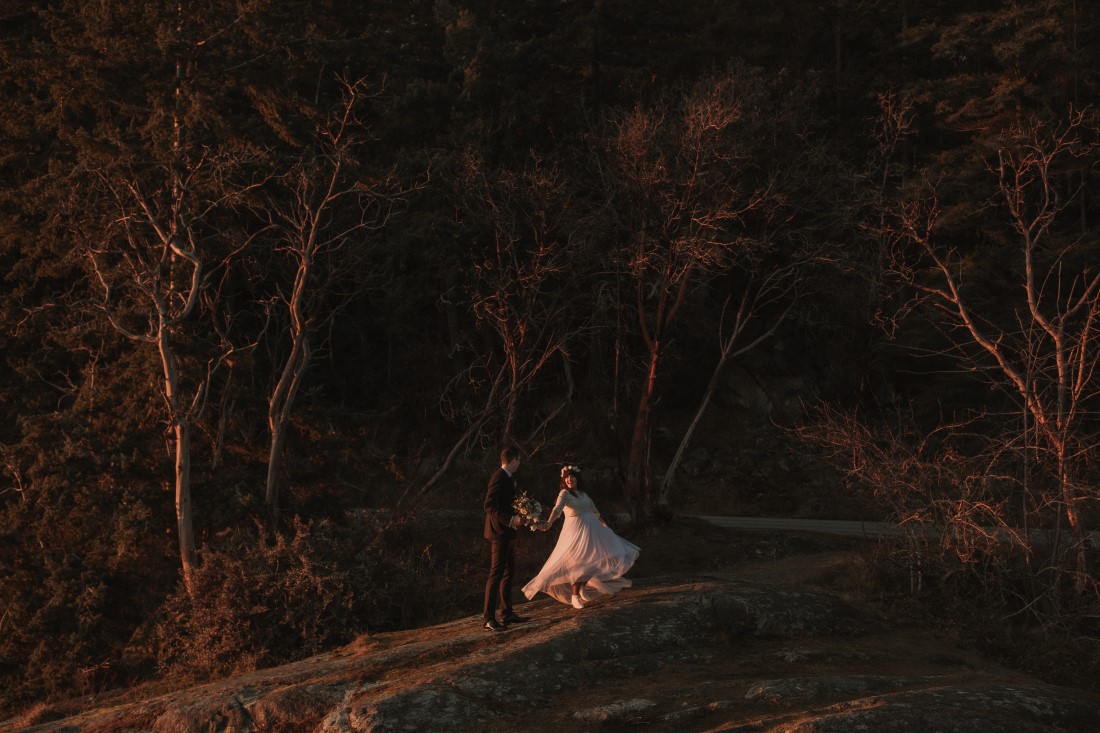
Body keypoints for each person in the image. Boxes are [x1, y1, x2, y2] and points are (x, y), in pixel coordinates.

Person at [523, 464, 640, 609]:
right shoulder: (564, 494)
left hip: (592, 531)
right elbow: (557, 510)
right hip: (575, 532)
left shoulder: (584, 495)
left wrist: (605, 527)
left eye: (572, 477)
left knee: (594, 561)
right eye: (566, 478)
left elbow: (595, 513)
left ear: (577, 478)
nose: (569, 480)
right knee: (579, 563)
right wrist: (548, 523)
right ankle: (574, 595)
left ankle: (582, 588)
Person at [482, 445, 530, 631]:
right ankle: (488, 618)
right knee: (496, 574)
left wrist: (523, 515)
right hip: (498, 533)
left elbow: (507, 504)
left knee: (509, 571)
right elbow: (489, 505)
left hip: (507, 533)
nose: (519, 464)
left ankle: (507, 613)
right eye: (518, 460)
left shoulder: (508, 478)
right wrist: (510, 519)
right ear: (512, 461)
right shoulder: (499, 477)